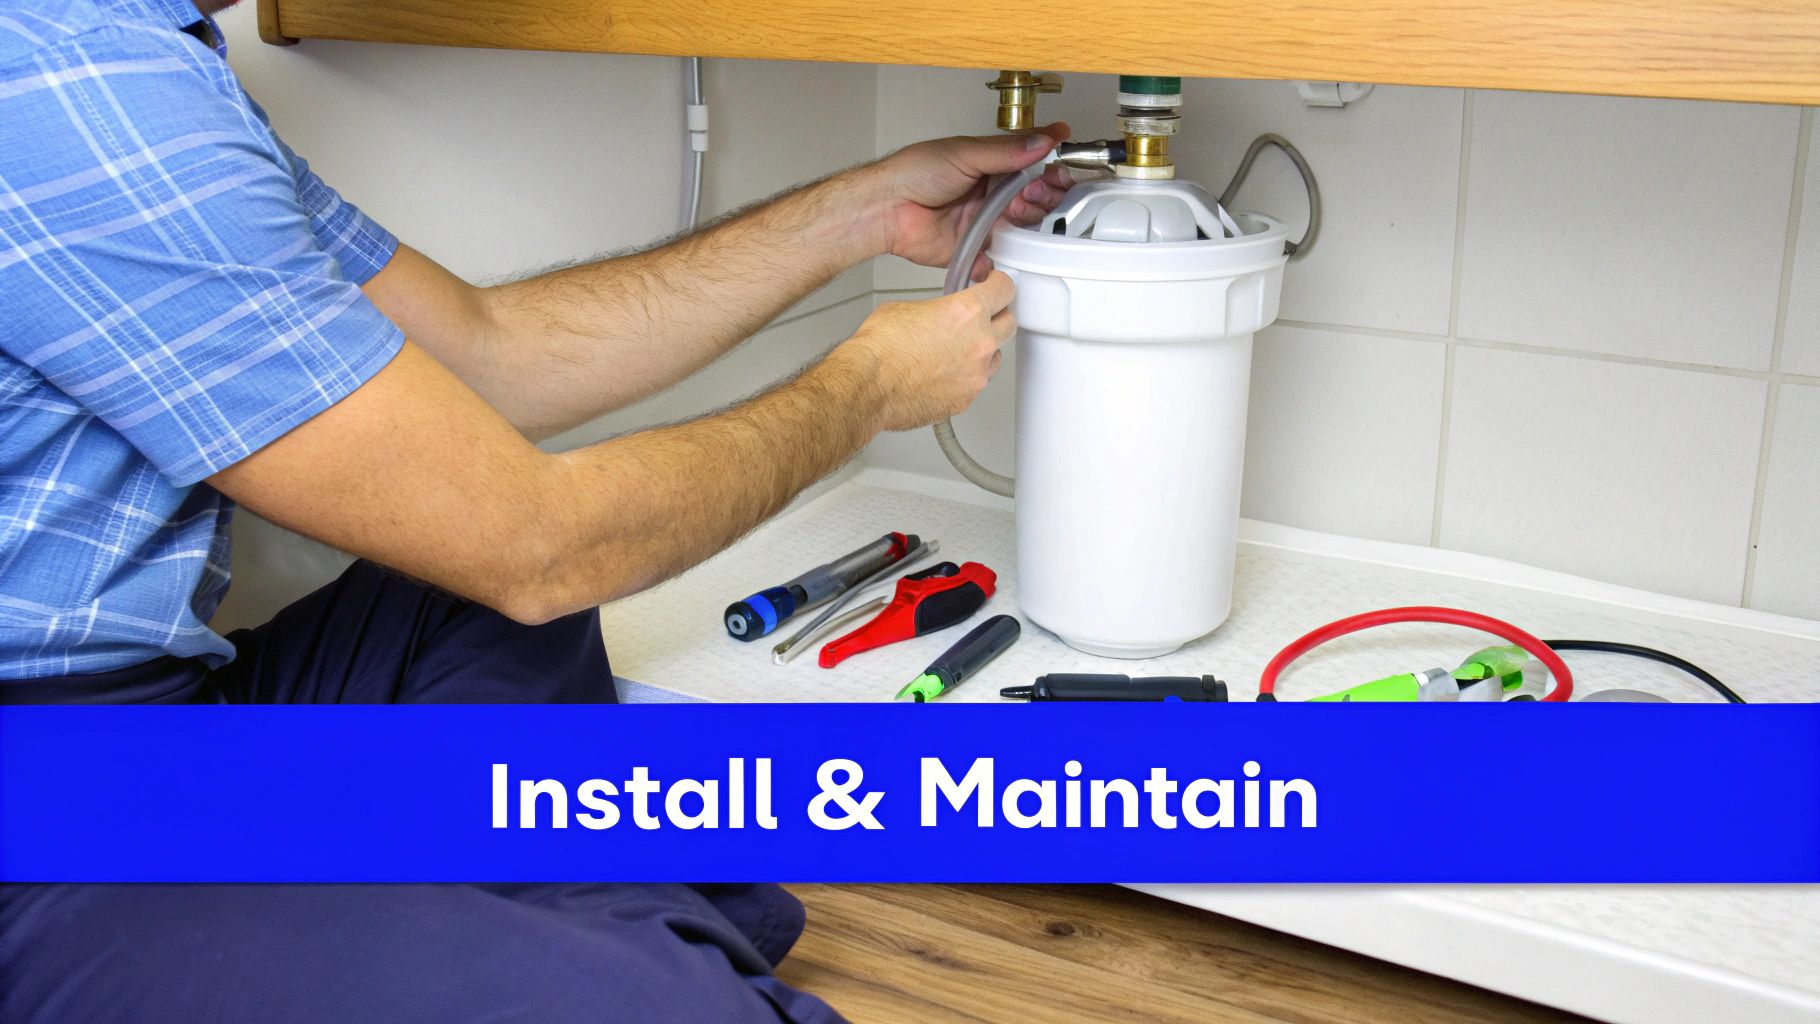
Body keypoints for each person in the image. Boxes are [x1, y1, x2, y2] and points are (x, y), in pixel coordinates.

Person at [0, 0, 1076, 1020]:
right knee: (642, 992)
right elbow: (542, 545)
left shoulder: (144, 59)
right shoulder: (78, 74)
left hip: (160, 723)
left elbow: (485, 348)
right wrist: (864, 393)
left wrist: (858, 212)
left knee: (471, 606)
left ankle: (489, 936)